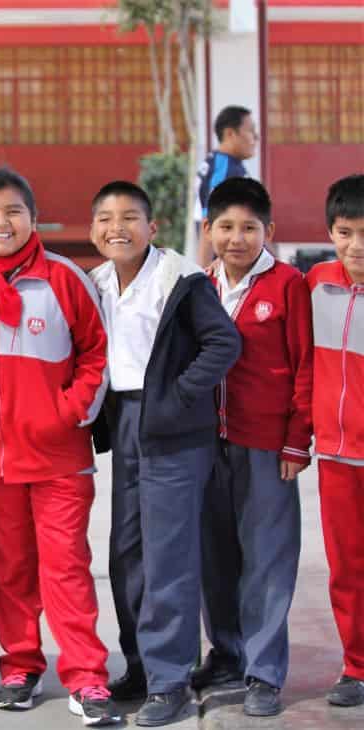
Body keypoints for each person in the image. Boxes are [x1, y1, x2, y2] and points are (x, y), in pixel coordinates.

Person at [0, 167, 120, 727]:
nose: (2, 222)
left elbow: (97, 353)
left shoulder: (65, 279)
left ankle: (87, 677)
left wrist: (70, 414)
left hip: (59, 458)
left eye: (14, 211)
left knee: (65, 568)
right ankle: (19, 666)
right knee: (7, 570)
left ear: (33, 219)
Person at [88, 181, 241, 727]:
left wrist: (177, 398)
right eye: (106, 219)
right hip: (125, 427)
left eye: (130, 217)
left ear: (152, 228)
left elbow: (224, 343)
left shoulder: (179, 279)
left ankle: (171, 678)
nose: (117, 228)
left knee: (168, 558)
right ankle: (141, 666)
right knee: (126, 553)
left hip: (174, 431)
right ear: (93, 231)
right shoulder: (96, 283)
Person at [196, 177, 312, 717]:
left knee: (267, 560)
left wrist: (295, 440)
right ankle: (226, 653)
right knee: (214, 557)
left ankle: (264, 671)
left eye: (249, 228)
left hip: (267, 446)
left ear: (270, 231)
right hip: (206, 446)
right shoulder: (198, 286)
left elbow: (304, 366)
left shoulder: (288, 285)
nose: (236, 238)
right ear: (208, 230)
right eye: (225, 227)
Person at [307, 174, 364, 709]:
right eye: (345, 232)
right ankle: (357, 666)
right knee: (347, 567)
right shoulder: (316, 284)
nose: (356, 246)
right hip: (338, 457)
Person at [195, 106, 258, 267]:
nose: (256, 138)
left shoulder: (229, 165)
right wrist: (203, 278)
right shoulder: (223, 171)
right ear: (231, 134)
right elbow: (209, 221)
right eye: (251, 131)